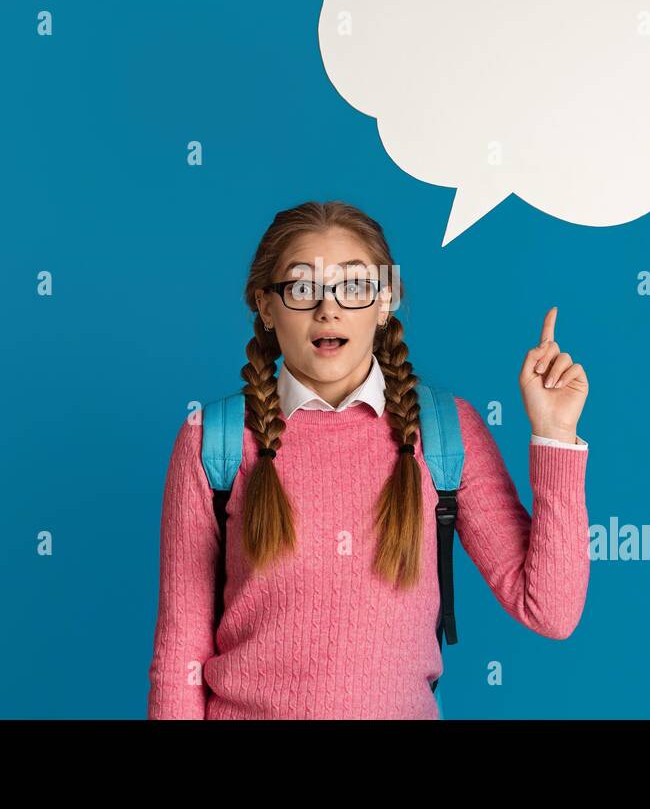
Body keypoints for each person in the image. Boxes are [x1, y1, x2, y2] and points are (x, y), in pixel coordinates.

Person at [147, 200, 591, 719]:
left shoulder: (445, 432)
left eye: (353, 287)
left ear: (384, 302)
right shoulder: (213, 440)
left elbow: (550, 611)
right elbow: (180, 652)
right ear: (266, 307)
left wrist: (556, 435)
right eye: (301, 287)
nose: (327, 309)